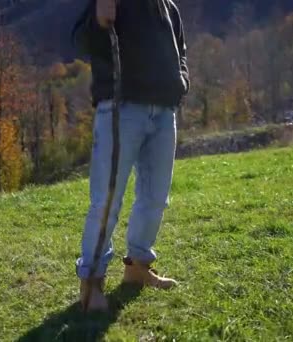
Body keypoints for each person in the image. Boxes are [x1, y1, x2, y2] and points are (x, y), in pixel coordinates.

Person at [72, 0, 190, 311]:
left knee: (155, 196)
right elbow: (82, 42)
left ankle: (137, 266)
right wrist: (98, 21)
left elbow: (182, 51)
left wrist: (181, 82)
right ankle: (91, 282)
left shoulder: (169, 8)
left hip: (164, 112)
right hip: (121, 107)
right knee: (107, 200)